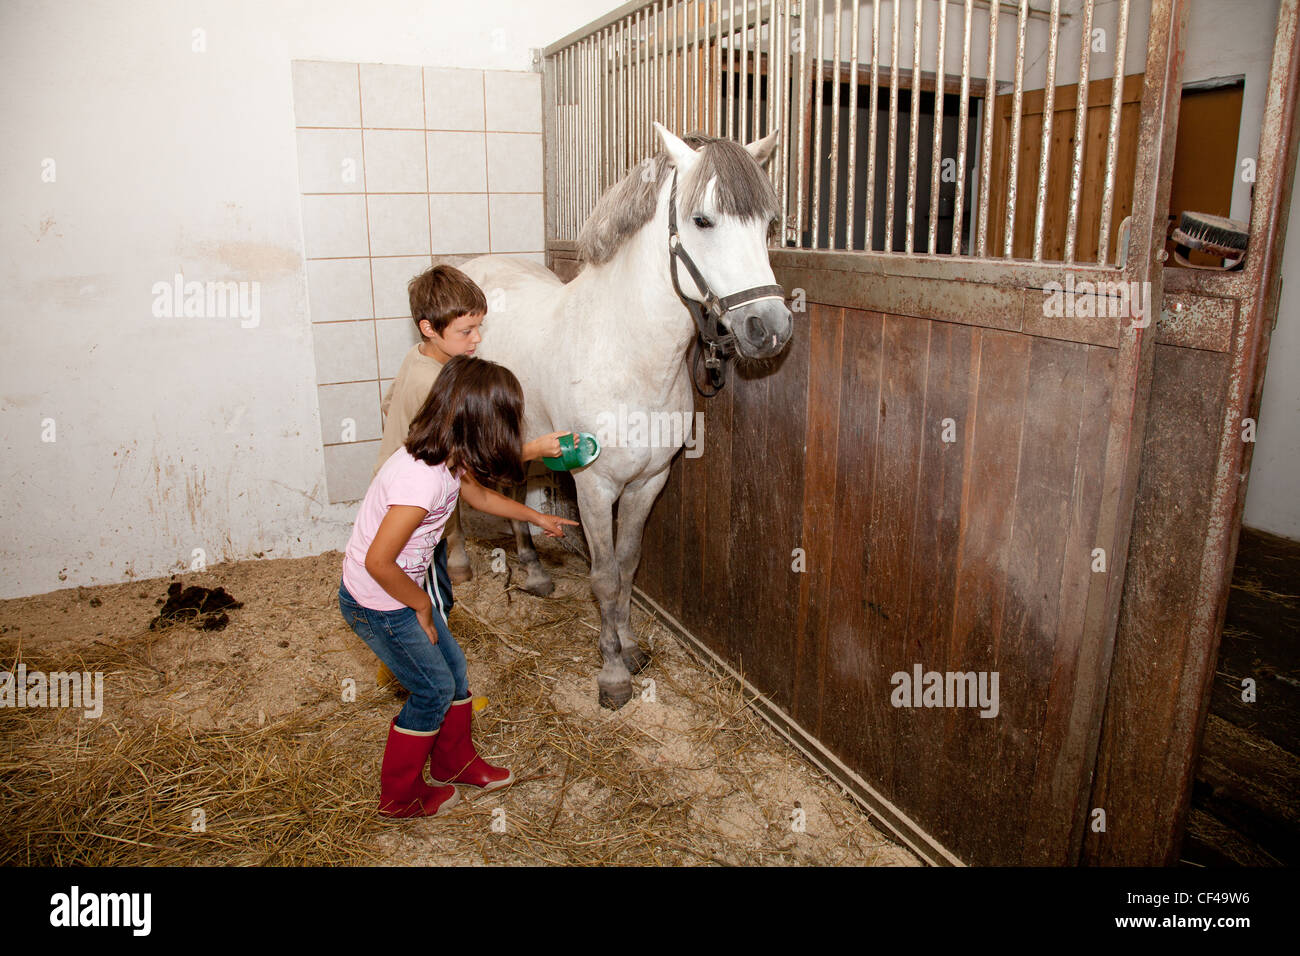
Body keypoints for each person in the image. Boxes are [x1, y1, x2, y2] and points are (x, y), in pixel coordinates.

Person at [340, 355, 579, 817]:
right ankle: (399, 797)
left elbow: (477, 496)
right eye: (506, 423)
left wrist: (535, 517)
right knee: (431, 690)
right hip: (380, 602)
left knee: (454, 671)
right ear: (480, 427)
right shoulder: (421, 480)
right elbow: (378, 561)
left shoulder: (448, 459)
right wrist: (421, 606)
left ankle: (454, 762)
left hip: (399, 593)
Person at [375, 264, 569, 690]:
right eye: (466, 331)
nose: (477, 340)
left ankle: (405, 668)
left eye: (479, 327)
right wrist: (535, 448)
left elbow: (389, 405)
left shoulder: (421, 357)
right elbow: (473, 462)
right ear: (429, 327)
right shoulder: (436, 385)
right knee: (430, 605)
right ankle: (436, 687)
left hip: (400, 494)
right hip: (414, 519)